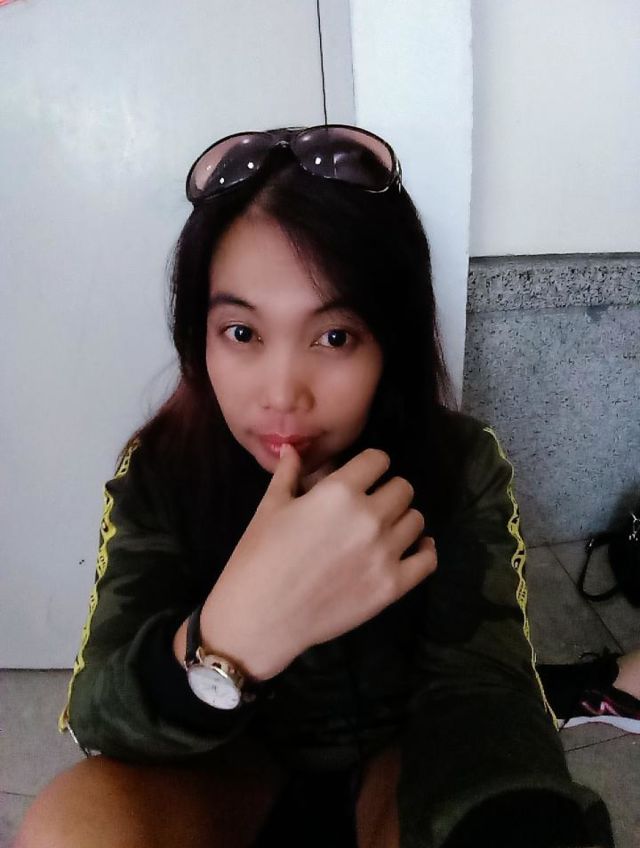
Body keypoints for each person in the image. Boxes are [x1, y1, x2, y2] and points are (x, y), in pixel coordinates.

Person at [15, 125, 637, 848]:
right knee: (72, 826)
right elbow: (100, 714)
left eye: (335, 337)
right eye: (241, 333)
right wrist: (227, 642)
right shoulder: (161, 471)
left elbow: (480, 690)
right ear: (198, 337)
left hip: (402, 766)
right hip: (228, 768)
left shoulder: (460, 462)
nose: (283, 394)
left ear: (390, 342)